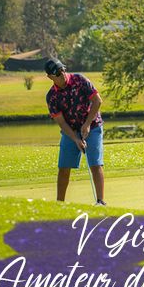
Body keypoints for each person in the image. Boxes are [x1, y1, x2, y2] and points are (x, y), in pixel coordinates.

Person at [44, 58, 106, 204]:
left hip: (93, 125)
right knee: (63, 167)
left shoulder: (80, 80)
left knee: (95, 164)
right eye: (57, 73)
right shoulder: (52, 96)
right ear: (50, 77)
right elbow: (61, 122)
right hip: (70, 130)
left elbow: (97, 101)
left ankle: (100, 201)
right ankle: (60, 204)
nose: (62, 74)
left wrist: (87, 124)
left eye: (62, 70)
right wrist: (75, 139)